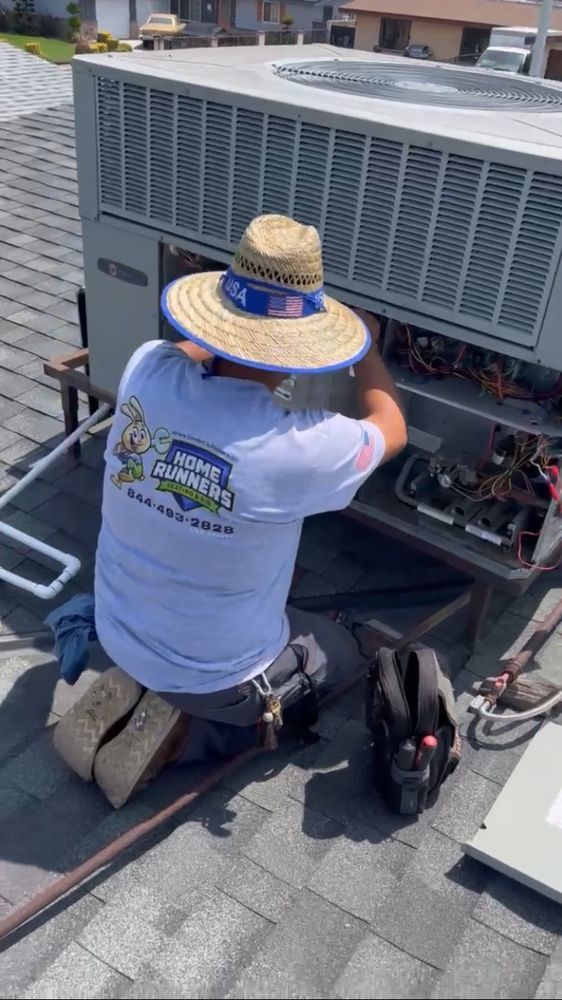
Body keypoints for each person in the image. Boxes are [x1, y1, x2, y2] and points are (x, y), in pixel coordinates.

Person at [54, 213, 407, 808]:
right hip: (220, 677)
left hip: (118, 627)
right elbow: (391, 427)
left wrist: (229, 318)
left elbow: (191, 349)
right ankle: (193, 731)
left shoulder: (147, 368)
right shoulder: (300, 446)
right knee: (341, 654)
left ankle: (146, 682)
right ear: (302, 349)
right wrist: (364, 342)